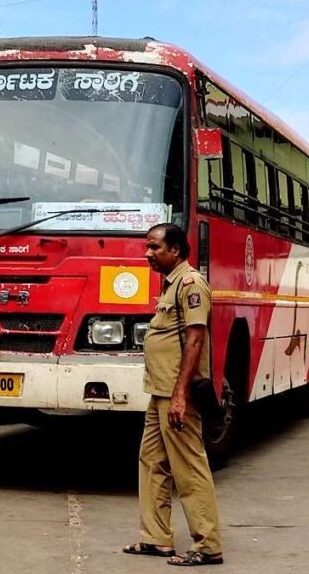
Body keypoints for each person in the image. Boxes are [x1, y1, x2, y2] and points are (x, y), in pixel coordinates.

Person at [123, 223, 224, 567]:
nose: (148, 254)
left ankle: (207, 545)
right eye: (147, 247)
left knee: (188, 467)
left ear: (176, 250)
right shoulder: (170, 285)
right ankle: (156, 538)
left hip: (177, 393)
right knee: (152, 462)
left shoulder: (191, 284)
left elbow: (195, 340)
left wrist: (180, 394)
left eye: (154, 247)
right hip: (159, 390)